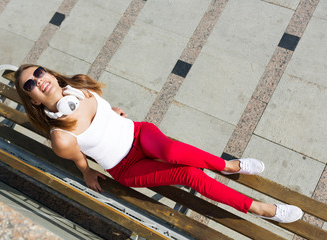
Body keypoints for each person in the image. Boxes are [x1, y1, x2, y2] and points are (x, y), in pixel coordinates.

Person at [15, 64, 303, 223]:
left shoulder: (81, 86)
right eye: (30, 85)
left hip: (139, 133)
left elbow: (104, 108)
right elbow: (77, 155)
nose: (38, 81)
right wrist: (86, 171)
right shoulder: (61, 137)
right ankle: (260, 209)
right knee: (189, 174)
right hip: (126, 166)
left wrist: (111, 114)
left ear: (49, 73)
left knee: (172, 150)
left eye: (39, 73)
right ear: (33, 99)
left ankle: (227, 165)